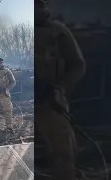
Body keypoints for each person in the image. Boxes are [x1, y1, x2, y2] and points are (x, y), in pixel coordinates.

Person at [35, 0, 86, 180]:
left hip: (50, 101)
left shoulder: (58, 32)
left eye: (37, 3)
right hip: (23, 102)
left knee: (63, 152)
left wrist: (61, 88)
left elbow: (78, 65)